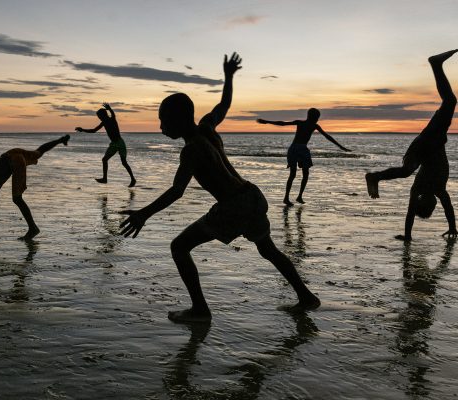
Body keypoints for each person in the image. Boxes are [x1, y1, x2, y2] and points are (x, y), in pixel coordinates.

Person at [120, 53, 320, 323]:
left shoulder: (191, 151)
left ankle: (200, 310)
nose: (160, 126)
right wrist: (228, 76)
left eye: (163, 120)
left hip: (233, 206)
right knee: (267, 249)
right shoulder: (207, 126)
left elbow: (177, 190)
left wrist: (144, 213)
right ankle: (306, 296)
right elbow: (224, 104)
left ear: (178, 121)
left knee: (179, 247)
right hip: (252, 195)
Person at [365, 50, 458, 241]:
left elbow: (411, 213)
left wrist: (408, 236)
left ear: (425, 201)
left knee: (450, 101)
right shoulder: (437, 190)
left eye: (432, 206)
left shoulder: (424, 189)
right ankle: (436, 65)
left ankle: (435, 64)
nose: (435, 204)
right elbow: (446, 208)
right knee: (408, 170)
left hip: (425, 143)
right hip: (429, 144)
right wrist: (453, 228)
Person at [257, 110, 351, 205]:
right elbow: (282, 124)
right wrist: (267, 121)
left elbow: (327, 136)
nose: (317, 119)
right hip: (295, 149)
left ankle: (299, 196)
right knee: (293, 174)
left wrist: (341, 147)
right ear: (311, 117)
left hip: (302, 149)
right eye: (316, 117)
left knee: (305, 174)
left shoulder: (313, 125)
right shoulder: (301, 123)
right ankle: (286, 198)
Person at [75, 103, 136, 187]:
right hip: (113, 144)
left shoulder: (112, 119)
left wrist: (109, 108)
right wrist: (82, 130)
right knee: (104, 160)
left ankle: (133, 179)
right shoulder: (103, 123)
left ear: (103, 115)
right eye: (98, 117)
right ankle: (105, 178)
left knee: (124, 162)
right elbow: (94, 130)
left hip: (120, 142)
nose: (99, 118)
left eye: (99, 117)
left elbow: (113, 114)